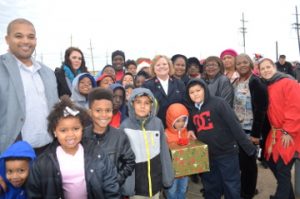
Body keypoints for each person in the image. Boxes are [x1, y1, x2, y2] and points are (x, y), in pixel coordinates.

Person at [26, 96, 120, 198]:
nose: (70, 135)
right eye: (63, 130)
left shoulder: (96, 152)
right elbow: (34, 193)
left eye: (75, 128)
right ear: (55, 132)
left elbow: (111, 183)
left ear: (82, 128)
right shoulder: (43, 163)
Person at [186, 78, 256, 199]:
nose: (195, 94)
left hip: (226, 153)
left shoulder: (219, 103)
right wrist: (191, 129)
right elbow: (192, 122)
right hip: (207, 156)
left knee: (231, 185)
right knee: (210, 186)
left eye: (198, 90)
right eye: (191, 92)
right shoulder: (193, 109)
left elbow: (234, 125)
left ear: (205, 90)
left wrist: (248, 147)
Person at [0, 18, 59, 154]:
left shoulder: (48, 73)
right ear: (7, 39)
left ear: (35, 41)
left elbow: (55, 109)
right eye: (18, 36)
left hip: (48, 150)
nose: (26, 41)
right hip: (12, 154)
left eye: (30, 37)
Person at [120, 87, 174, 198]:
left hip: (156, 182)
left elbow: (164, 152)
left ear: (152, 106)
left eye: (147, 103)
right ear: (132, 104)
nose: (142, 106)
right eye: (138, 102)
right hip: (137, 186)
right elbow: (122, 159)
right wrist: (127, 185)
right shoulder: (125, 126)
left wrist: (167, 177)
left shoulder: (157, 123)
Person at [258, 58, 300, 199]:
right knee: (270, 161)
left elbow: (295, 107)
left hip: (290, 132)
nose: (266, 70)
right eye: (262, 68)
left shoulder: (288, 82)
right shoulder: (266, 85)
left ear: (274, 67)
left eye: (268, 67)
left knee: (283, 169)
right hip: (276, 132)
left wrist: (289, 130)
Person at [83, 88, 135, 195]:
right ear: (90, 112)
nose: (104, 115)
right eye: (98, 110)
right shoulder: (82, 136)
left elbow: (129, 161)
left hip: (112, 193)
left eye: (108, 110)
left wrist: (116, 181)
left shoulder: (120, 136)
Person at [233, 54, 269, 199]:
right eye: (239, 63)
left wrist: (255, 134)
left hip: (250, 131)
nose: (242, 65)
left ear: (250, 64)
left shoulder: (255, 82)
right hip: (237, 129)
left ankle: (248, 193)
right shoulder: (236, 81)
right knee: (241, 163)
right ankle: (246, 188)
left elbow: (261, 110)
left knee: (249, 165)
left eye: (245, 62)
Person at [143, 55, 186, 128]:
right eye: (158, 65)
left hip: (177, 127)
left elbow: (186, 105)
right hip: (156, 127)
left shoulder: (179, 83)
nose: (161, 66)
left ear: (169, 66)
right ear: (153, 68)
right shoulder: (147, 85)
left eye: (164, 64)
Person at [164, 103, 190, 199]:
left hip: (184, 171)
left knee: (183, 189)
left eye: (183, 120)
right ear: (171, 120)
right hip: (171, 173)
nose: (181, 123)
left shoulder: (187, 133)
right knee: (171, 192)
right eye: (177, 121)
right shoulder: (165, 134)